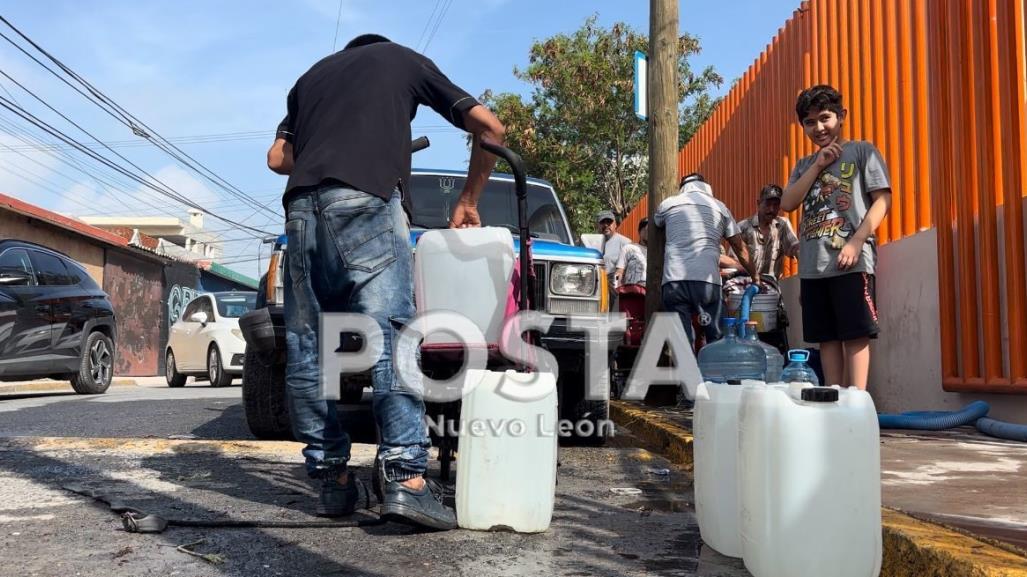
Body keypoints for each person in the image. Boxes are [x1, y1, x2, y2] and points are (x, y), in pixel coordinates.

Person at [266, 33, 505, 530]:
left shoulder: (310, 78)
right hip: (368, 203)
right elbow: (489, 126)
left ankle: (331, 481)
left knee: (310, 347)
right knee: (392, 339)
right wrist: (468, 199)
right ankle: (406, 479)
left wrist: (328, 139)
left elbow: (278, 160)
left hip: (302, 210)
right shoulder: (402, 60)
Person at [781, 85, 892, 391]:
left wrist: (856, 242)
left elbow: (882, 201)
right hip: (813, 267)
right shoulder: (804, 165)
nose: (819, 127)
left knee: (854, 335)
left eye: (825, 118)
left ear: (841, 116)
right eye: (809, 122)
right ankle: (833, 401)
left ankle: (855, 403)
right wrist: (818, 165)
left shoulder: (862, 151)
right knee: (826, 338)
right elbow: (788, 202)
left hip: (851, 263)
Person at [654, 173, 759, 346]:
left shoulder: (668, 204)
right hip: (707, 285)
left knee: (682, 342)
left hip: (674, 283)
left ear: (683, 188)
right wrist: (755, 276)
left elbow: (657, 223)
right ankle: (713, 370)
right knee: (716, 339)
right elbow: (740, 248)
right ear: (706, 187)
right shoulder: (720, 208)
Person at [722, 184, 800, 280]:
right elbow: (734, 261)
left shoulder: (782, 225)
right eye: (767, 204)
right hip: (746, 283)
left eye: (776, 205)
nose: (771, 209)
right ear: (758, 203)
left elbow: (795, 248)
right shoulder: (743, 227)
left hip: (772, 285)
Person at [597, 210, 631, 288]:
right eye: (602, 222)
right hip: (596, 285)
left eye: (609, 222)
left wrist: (617, 286)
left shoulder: (625, 243)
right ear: (597, 225)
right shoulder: (592, 242)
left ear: (615, 224)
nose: (606, 225)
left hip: (615, 287)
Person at [614, 218, 648, 288]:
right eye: (645, 228)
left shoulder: (659, 253)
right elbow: (619, 272)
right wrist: (616, 289)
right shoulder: (629, 248)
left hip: (652, 293)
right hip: (631, 293)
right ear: (639, 231)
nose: (648, 231)